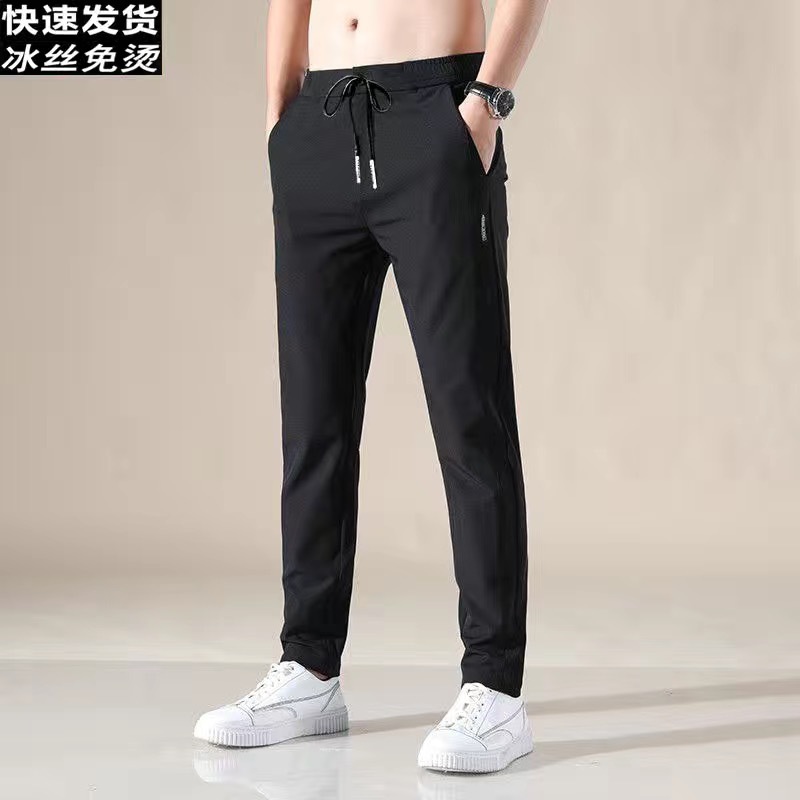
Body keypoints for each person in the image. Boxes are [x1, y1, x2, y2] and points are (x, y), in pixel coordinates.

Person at [195, 0, 549, 774]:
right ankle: (309, 666)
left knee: (470, 414)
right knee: (313, 421)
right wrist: (281, 118)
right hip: (317, 120)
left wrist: (485, 103)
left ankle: (495, 686)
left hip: (437, 114)